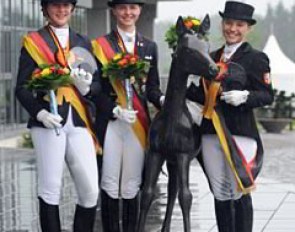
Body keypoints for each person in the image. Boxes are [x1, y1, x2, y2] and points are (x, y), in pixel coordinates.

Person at [186, 1, 274, 232]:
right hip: (210, 134)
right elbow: (196, 94)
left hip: (240, 134)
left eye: (239, 25)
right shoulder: (211, 56)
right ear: (222, 24)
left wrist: (245, 96)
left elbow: (266, 95)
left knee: (239, 190)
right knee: (220, 192)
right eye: (228, 23)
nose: (233, 28)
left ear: (248, 28)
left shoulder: (256, 58)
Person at [15, 0, 101, 231]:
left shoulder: (83, 42)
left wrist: (86, 88)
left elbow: (98, 85)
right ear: (45, 9)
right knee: (50, 189)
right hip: (48, 121)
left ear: (72, 8)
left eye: (66, 5)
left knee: (91, 191)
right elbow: (21, 88)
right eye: (55, 5)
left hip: (78, 119)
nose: (61, 10)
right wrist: (40, 112)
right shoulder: (34, 42)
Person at [91, 0, 164, 231]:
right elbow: (95, 90)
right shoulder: (100, 46)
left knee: (132, 185)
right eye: (122, 8)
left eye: (133, 8)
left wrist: (163, 101)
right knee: (110, 183)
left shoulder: (149, 47)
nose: (128, 13)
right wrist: (113, 108)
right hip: (112, 121)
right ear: (113, 11)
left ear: (140, 10)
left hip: (137, 123)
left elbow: (152, 88)